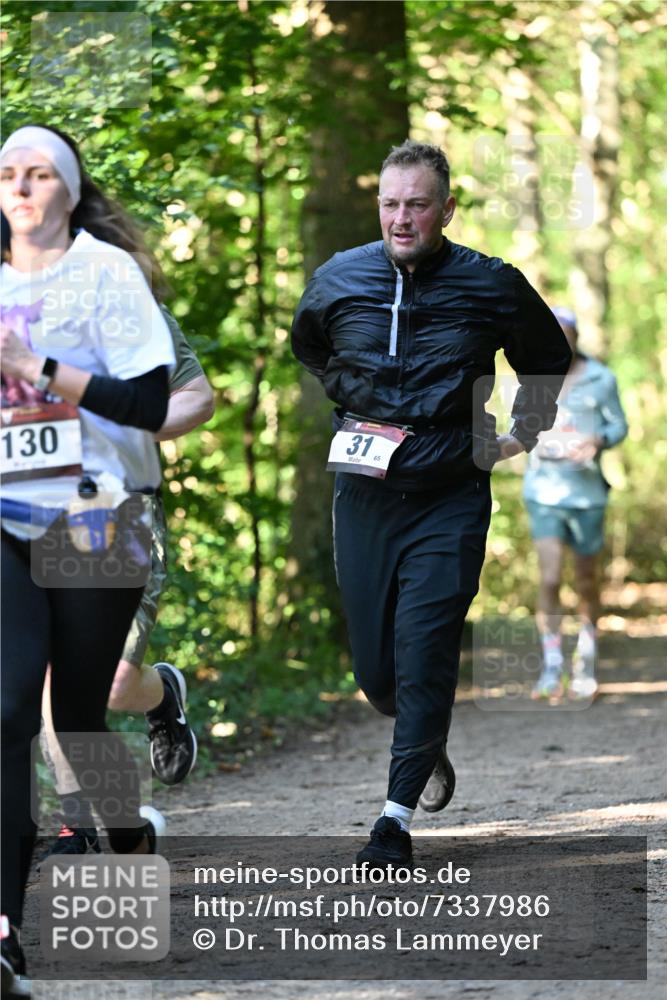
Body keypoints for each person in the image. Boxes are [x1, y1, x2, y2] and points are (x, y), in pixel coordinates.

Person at [291, 139, 571, 870]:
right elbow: (311, 346)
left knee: (424, 651)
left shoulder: (490, 283)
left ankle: (393, 820)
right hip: (363, 492)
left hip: (449, 490)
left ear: (446, 208)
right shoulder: (338, 277)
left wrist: (519, 434)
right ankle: (424, 733)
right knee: (377, 677)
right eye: (390, 203)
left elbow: (543, 357)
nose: (401, 218)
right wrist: (360, 402)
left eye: (417, 204)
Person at [0, 123, 175, 994]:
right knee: (6, 707)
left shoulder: (107, 273)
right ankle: (5, 934)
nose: (23, 187)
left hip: (98, 514)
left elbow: (154, 398)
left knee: (75, 717)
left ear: (70, 189)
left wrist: (41, 367)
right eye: (8, 174)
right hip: (6, 513)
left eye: (41, 173)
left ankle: (130, 839)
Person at [40, 307, 214, 859]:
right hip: (27, 510)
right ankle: (78, 825)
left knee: (111, 683)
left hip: (115, 507)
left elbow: (196, 397)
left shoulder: (118, 294)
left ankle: (160, 695)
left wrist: (124, 422)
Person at [524, 306, 628, 701]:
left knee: (586, 581)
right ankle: (552, 667)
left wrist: (597, 440)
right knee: (550, 578)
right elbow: (516, 425)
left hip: (587, 494)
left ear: (576, 338)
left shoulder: (602, 378)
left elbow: (619, 424)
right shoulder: (531, 377)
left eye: (563, 335)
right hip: (544, 493)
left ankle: (587, 661)